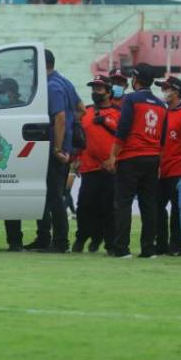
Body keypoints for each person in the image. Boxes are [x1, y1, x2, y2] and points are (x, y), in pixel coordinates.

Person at [104, 63, 166, 258]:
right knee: (149, 204)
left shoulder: (131, 99)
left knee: (123, 203)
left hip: (131, 157)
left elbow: (122, 129)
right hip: (152, 157)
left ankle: (122, 248)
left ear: (135, 80)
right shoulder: (161, 105)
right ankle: (148, 249)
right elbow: (162, 138)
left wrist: (113, 155)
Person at [24, 50, 83, 253]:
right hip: (62, 147)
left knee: (55, 195)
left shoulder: (51, 86)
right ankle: (44, 237)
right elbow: (81, 109)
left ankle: (59, 242)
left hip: (53, 149)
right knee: (49, 194)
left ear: (42, 65)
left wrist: (58, 147)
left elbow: (58, 117)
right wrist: (70, 132)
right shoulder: (64, 82)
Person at [72, 76, 120, 254]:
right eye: (93, 89)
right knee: (84, 207)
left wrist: (114, 159)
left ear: (108, 92)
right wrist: (76, 158)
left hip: (110, 169)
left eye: (99, 89)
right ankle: (81, 238)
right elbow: (79, 138)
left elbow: (124, 137)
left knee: (108, 208)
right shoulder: (87, 112)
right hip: (89, 168)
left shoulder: (119, 113)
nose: (95, 92)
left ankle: (109, 244)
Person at [154, 76, 181, 256]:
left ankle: (177, 246)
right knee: (157, 208)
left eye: (166, 88)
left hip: (179, 170)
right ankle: (161, 243)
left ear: (176, 92)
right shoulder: (160, 113)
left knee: (178, 210)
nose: (164, 92)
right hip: (160, 170)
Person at [0, 78, 27, 251]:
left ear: (12, 93)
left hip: (15, 157)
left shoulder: (23, 109)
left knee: (12, 201)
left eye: (2, 92)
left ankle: (15, 241)